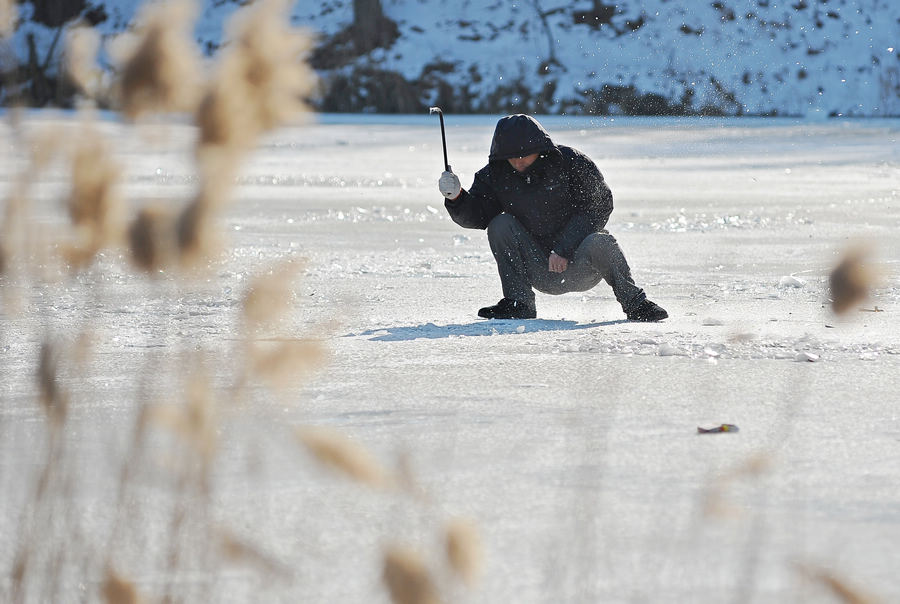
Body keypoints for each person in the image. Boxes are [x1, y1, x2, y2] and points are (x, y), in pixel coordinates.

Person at [438, 114, 668, 322]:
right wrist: (457, 197)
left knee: (602, 241)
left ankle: (636, 304)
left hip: (581, 263)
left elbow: (600, 205)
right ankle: (519, 304)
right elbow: (478, 216)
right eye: (511, 157)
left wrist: (564, 249)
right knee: (500, 224)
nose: (518, 162)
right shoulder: (495, 174)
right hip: (537, 266)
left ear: (539, 147)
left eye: (524, 155)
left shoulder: (571, 163)